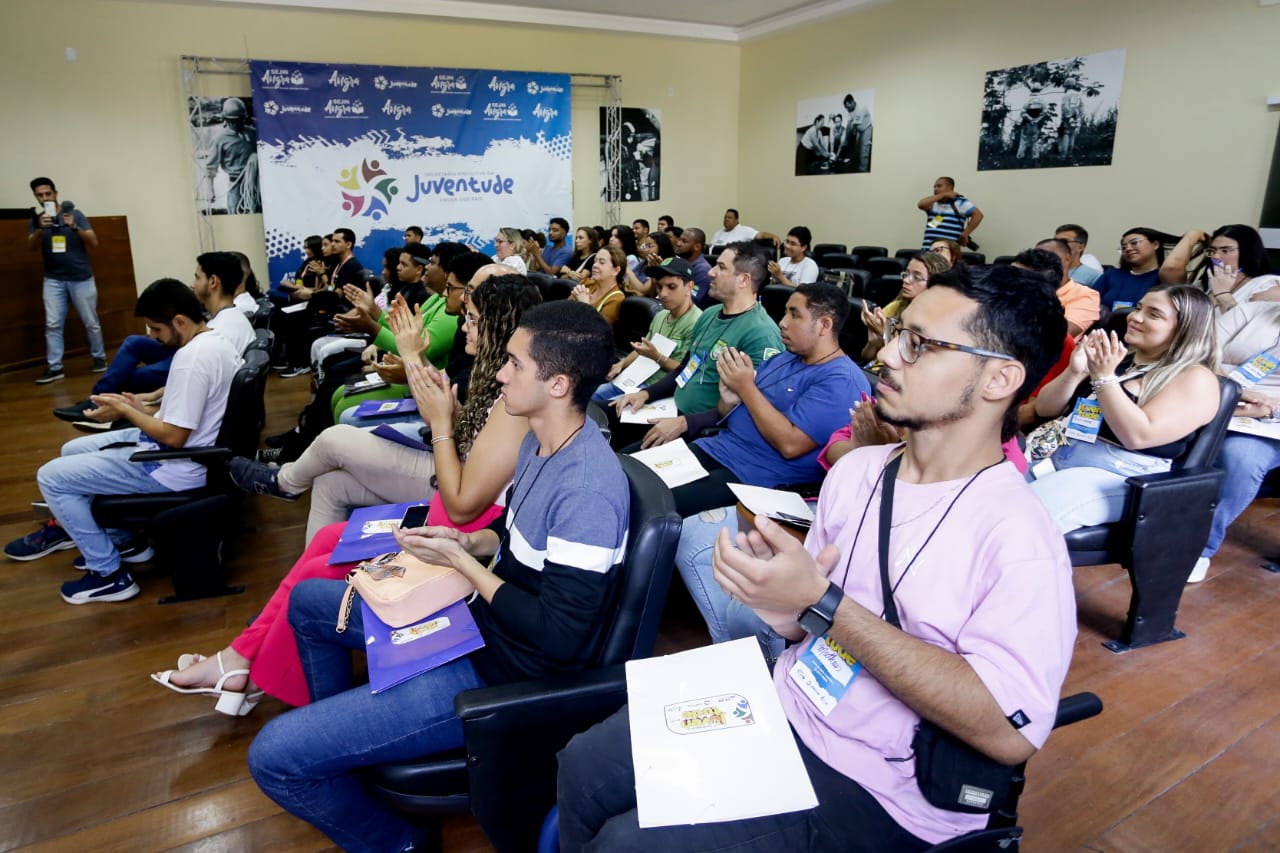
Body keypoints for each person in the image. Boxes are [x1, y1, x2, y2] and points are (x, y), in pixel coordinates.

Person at [557, 263, 1076, 851]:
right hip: (790, 702)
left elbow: (1009, 734)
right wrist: (781, 605)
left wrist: (820, 602)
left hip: (886, 788)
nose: (890, 358)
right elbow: (809, 629)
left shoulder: (1021, 537)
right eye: (899, 335)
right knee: (584, 766)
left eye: (921, 345)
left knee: (627, 844)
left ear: (999, 379)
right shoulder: (856, 472)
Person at [247, 300, 628, 853]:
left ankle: (400, 843)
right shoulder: (539, 441)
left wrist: (465, 566)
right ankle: (343, 756)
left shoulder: (587, 489)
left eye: (515, 364)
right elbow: (522, 547)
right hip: (479, 628)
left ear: (558, 384)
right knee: (308, 602)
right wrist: (473, 542)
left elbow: (561, 635)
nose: (499, 372)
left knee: (273, 758)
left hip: (499, 672)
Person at [152, 275, 541, 711]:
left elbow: (462, 501)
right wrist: (443, 410)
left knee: (320, 566)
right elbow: (470, 455)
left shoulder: (514, 405)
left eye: (472, 320)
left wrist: (441, 422)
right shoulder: (497, 386)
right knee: (324, 540)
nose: (465, 327)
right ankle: (248, 658)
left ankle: (245, 661)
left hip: (462, 528)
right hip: (452, 514)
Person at [229, 274, 540, 541]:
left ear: (499, 325)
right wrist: (421, 370)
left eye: (471, 319)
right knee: (329, 482)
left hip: (451, 485)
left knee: (335, 437)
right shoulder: (492, 371)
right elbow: (460, 429)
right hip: (448, 465)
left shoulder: (513, 396)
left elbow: (461, 489)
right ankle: (315, 575)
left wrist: (413, 360)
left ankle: (286, 482)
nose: (463, 326)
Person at [5, 279, 241, 604]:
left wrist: (126, 413)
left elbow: (174, 436)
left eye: (156, 329)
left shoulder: (192, 358)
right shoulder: (217, 344)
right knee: (70, 449)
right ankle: (122, 539)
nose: (152, 337)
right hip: (188, 454)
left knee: (52, 477)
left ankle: (108, 575)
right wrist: (138, 409)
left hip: (173, 466)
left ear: (180, 322)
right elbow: (191, 416)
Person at [654, 281, 866, 521]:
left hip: (758, 477)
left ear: (824, 325)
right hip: (718, 448)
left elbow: (790, 445)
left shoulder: (841, 380)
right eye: (785, 312)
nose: (782, 322)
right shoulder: (784, 359)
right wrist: (729, 398)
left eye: (794, 315)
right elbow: (730, 414)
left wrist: (746, 388)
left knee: (654, 502)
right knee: (636, 474)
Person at [1030, 285, 1220, 535]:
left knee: (1025, 521)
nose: (1135, 317)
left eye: (1154, 314)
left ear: (1184, 328)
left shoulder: (1196, 377)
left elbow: (1137, 436)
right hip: (1059, 456)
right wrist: (1074, 372)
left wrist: (1104, 378)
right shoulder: (1120, 361)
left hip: (1120, 476)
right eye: (1139, 308)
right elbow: (1045, 409)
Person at [53, 251, 254, 426]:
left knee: (127, 377)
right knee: (134, 343)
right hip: (186, 356)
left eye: (197, 277)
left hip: (192, 366)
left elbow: (208, 373)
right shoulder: (223, 317)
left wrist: (150, 399)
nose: (192, 284)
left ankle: (101, 401)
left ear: (213, 282)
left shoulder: (225, 328)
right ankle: (98, 399)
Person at [610, 242, 783, 445]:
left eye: (721, 267)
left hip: (704, 429)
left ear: (744, 280)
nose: (711, 272)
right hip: (672, 408)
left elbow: (753, 408)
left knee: (625, 460)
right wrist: (645, 393)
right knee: (604, 418)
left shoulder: (761, 334)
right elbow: (684, 369)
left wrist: (685, 423)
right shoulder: (709, 314)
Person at [28, 177, 106, 384]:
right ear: (36, 197)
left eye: (48, 193)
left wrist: (75, 227)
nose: (45, 197)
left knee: (91, 323)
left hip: (81, 278)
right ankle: (55, 368)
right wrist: (39, 230)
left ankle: (99, 358)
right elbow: (31, 247)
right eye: (40, 195)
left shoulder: (75, 214)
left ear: (56, 193)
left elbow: (94, 242)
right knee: (52, 324)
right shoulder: (37, 219)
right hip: (53, 280)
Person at [594, 257, 702, 403]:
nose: (663, 294)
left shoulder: (698, 322)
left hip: (657, 390)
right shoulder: (661, 315)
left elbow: (687, 371)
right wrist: (621, 364)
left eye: (671, 287)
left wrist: (656, 356)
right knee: (585, 399)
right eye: (659, 287)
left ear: (689, 287)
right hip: (634, 379)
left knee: (600, 409)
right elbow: (644, 349)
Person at [1159, 225, 1279, 310]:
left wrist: (1223, 294)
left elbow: (1249, 331)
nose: (1216, 256)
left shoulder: (1268, 284)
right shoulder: (1204, 285)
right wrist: (1191, 236)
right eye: (1212, 251)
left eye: (1225, 250)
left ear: (1248, 252)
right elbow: (1169, 271)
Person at [860, 252, 950, 361]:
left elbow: (912, 365)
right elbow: (865, 358)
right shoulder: (895, 307)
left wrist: (886, 336)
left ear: (936, 284)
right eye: (906, 274)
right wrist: (873, 343)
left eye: (916, 277)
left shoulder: (941, 322)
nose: (906, 280)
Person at [1031, 240, 1100, 338]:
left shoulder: (1085, 294)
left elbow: (1060, 334)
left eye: (1050, 256)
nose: (1043, 261)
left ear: (1068, 258)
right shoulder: (1027, 286)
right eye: (1038, 257)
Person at [202, 98, 259, 215]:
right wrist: (210, 190)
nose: (237, 124)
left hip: (256, 184)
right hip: (236, 186)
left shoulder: (253, 133)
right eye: (232, 121)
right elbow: (210, 168)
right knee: (236, 213)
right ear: (226, 120)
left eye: (240, 120)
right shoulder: (220, 139)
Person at [1092, 227, 1168, 312]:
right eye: (1124, 247)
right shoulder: (1111, 275)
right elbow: (1089, 303)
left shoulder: (1164, 277)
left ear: (1155, 244)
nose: (1128, 249)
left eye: (1134, 243)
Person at [918, 176, 982, 250]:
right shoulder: (933, 203)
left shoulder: (959, 202)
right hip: (928, 250)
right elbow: (921, 204)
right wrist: (943, 195)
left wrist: (965, 234)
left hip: (948, 252)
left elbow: (978, 215)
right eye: (934, 187)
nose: (935, 189)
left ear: (950, 188)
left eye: (939, 186)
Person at [570, 247, 628, 325]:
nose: (595, 265)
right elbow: (565, 310)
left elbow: (598, 330)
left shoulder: (616, 298)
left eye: (602, 262)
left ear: (616, 270)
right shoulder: (587, 283)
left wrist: (585, 304)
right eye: (595, 261)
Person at [675, 227, 713, 305]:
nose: (678, 244)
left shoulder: (703, 270)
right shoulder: (679, 263)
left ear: (697, 247)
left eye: (684, 241)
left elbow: (692, 301)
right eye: (679, 239)